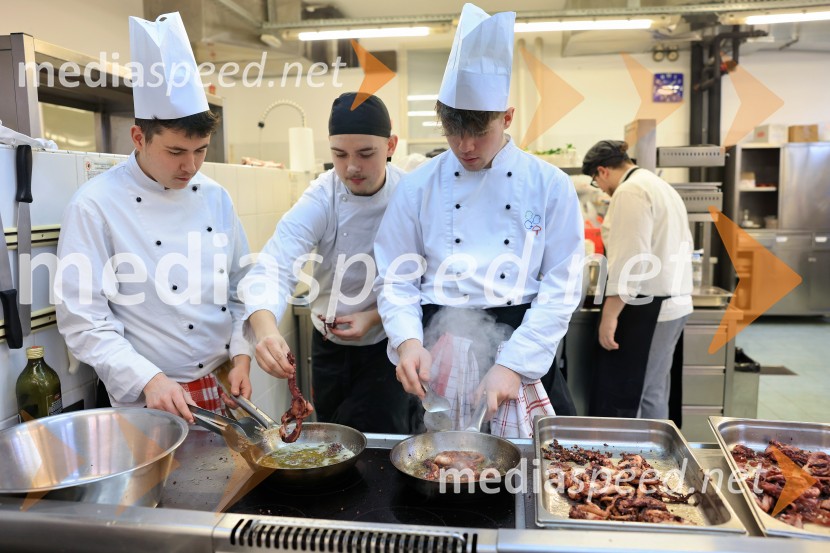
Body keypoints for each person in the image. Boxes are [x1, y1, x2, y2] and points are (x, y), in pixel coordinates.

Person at [373, 4, 584, 438]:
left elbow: (562, 286)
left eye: (479, 130)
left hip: (521, 341)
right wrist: (408, 341)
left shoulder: (549, 185)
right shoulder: (418, 186)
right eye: (453, 130)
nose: (464, 145)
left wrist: (512, 364)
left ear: (506, 118)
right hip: (438, 346)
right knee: (438, 466)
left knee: (532, 472)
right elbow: (396, 279)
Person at [55, 12, 252, 423]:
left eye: (201, 150)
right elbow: (83, 320)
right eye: (176, 152)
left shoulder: (216, 198)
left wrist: (243, 355)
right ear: (139, 137)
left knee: (236, 487)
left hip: (223, 385)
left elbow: (240, 288)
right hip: (153, 397)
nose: (192, 166)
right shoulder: (95, 205)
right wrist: (148, 379)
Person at [241, 92, 411, 434]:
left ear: (390, 145)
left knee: (385, 440)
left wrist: (375, 316)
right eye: (339, 154)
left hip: (390, 346)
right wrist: (266, 330)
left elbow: (428, 278)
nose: (351, 167)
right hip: (329, 348)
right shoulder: (322, 196)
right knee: (334, 437)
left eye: (366, 154)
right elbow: (274, 266)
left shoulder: (409, 196)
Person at [582, 140, 693, 419]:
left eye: (597, 182)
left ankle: (642, 459)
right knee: (653, 390)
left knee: (635, 392)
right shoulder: (657, 185)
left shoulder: (630, 191)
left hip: (651, 307)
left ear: (602, 171)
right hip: (672, 302)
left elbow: (631, 259)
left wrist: (609, 317)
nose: (603, 190)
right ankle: (653, 457)